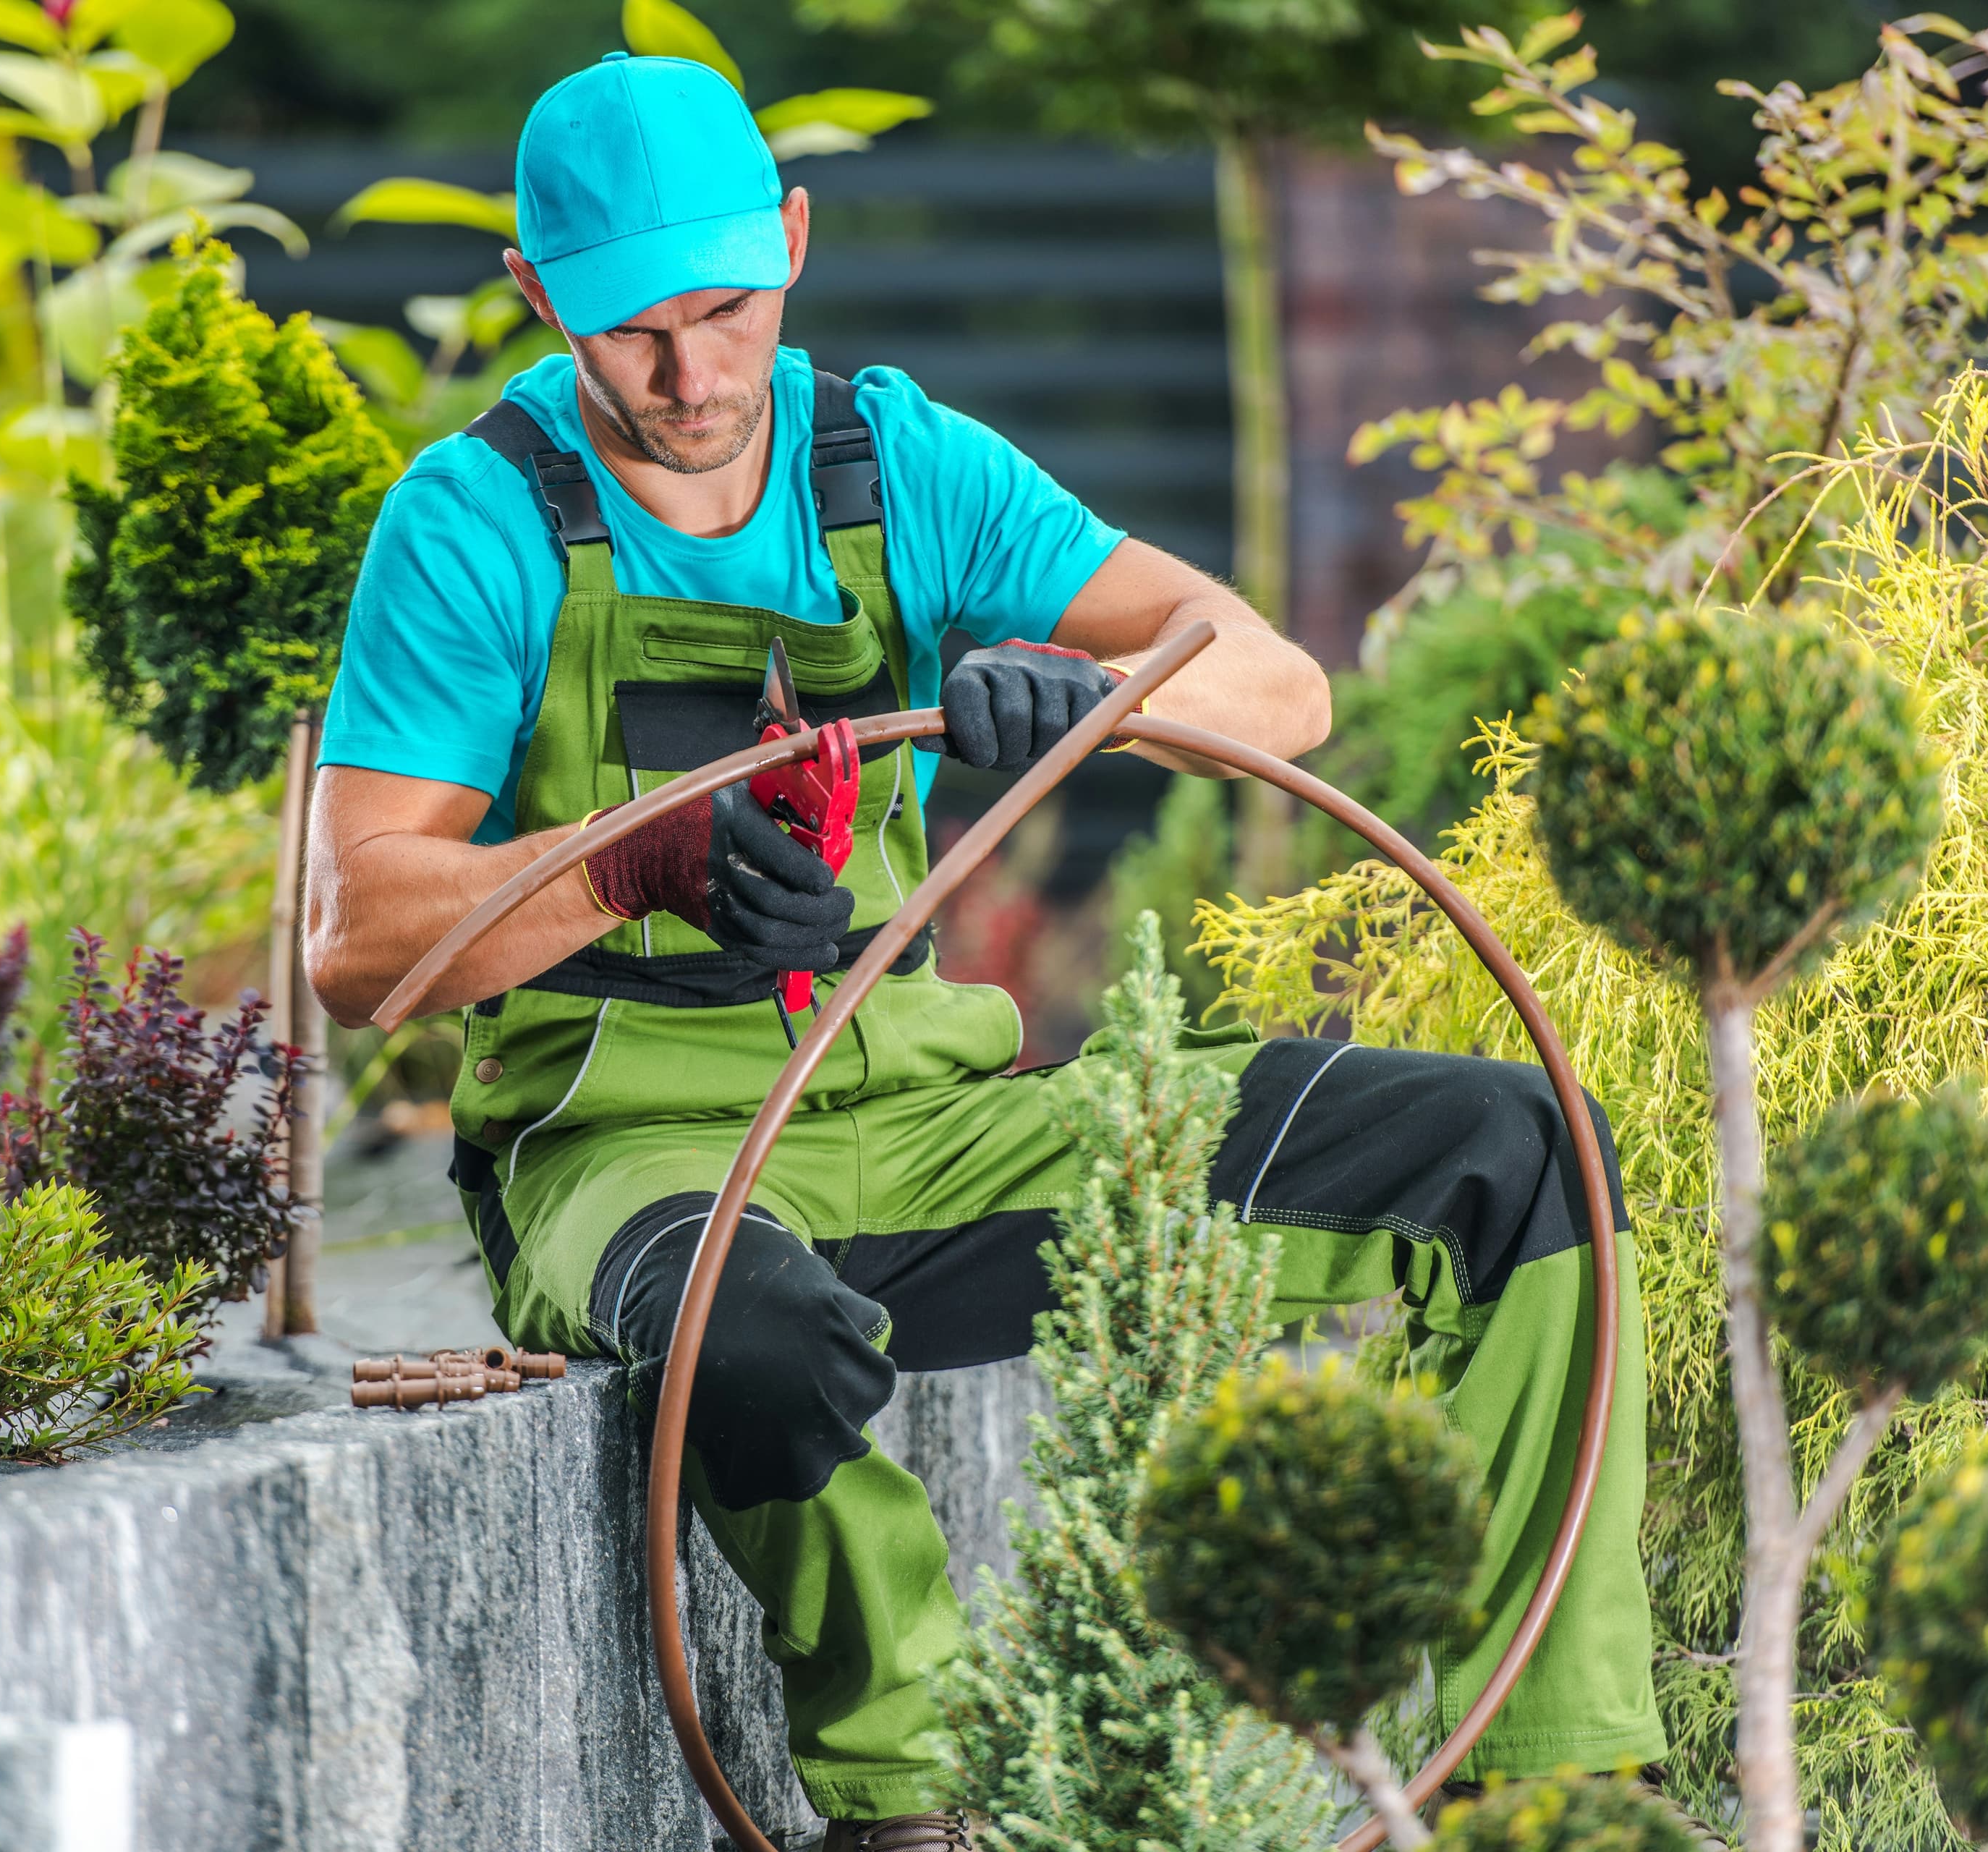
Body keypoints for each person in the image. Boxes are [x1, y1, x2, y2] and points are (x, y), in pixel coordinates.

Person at [305, 50, 1662, 1852]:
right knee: (754, 1325)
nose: (695, 375)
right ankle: (913, 1804)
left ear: (793, 241)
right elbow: (364, 936)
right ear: (541, 298)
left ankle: (1559, 1787)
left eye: (727, 308)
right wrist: (636, 862)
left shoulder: (898, 460)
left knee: (1520, 1149)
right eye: (635, 332)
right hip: (635, 1158)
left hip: (949, 1130)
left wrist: (1092, 702)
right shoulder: (473, 526)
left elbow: (1283, 683)